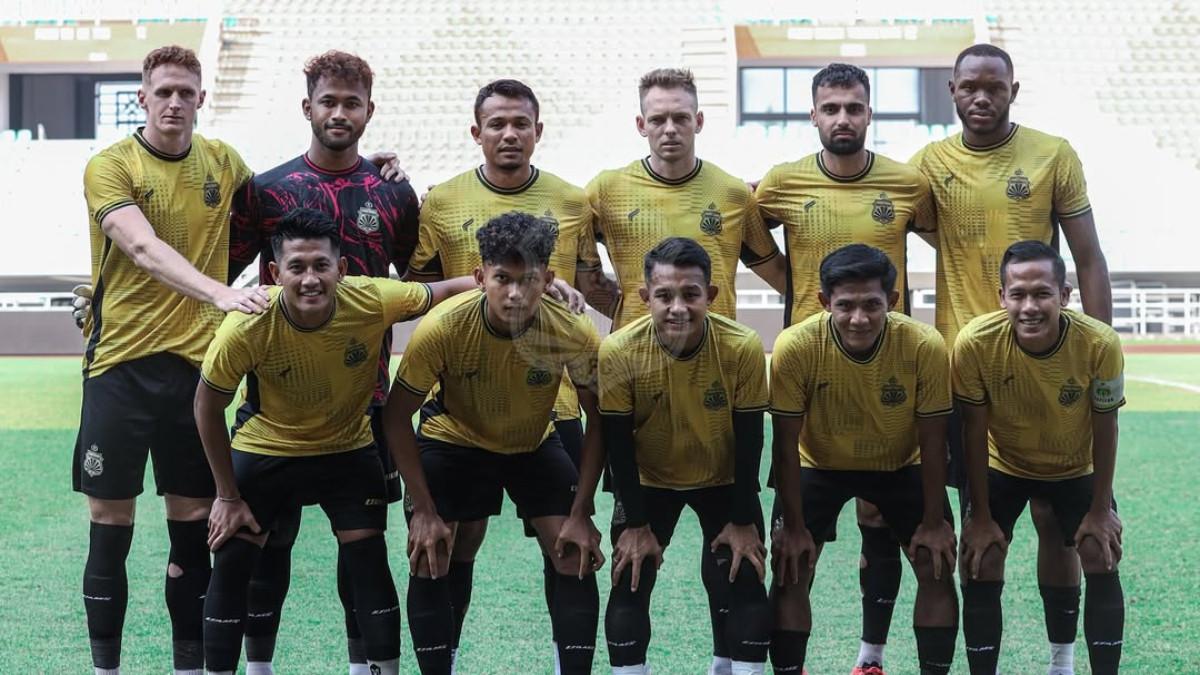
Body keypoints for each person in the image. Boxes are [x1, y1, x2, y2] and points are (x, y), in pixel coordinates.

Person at [193, 208, 472, 675]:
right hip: (266, 448)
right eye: (297, 267)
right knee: (233, 557)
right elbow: (205, 407)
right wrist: (226, 496)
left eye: (321, 265)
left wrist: (534, 286)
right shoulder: (246, 325)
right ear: (274, 272)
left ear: (341, 269)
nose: (310, 279)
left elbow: (447, 290)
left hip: (346, 449)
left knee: (368, 561)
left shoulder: (371, 298)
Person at [910, 43, 1113, 673]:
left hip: (1046, 357)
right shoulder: (929, 164)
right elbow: (872, 207)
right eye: (969, 86)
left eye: (994, 87)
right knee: (974, 526)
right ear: (951, 90)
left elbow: (1088, 257)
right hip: (961, 366)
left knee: (1057, 520)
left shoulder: (1053, 155)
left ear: (1013, 91)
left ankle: (1061, 659)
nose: (981, 97)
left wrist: (1096, 347)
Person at [403, 77, 617, 669]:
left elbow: (593, 285)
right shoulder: (442, 201)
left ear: (538, 131)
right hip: (462, 400)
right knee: (458, 539)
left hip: (553, 405)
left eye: (520, 123)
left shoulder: (572, 201)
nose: (509, 134)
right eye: (496, 124)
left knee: (567, 542)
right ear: (476, 132)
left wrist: (648, 317)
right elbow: (416, 287)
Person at [224, 50, 419, 675]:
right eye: (328, 101)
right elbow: (220, 275)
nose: (339, 113)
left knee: (360, 551)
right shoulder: (266, 190)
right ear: (306, 107)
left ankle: (366, 667)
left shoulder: (393, 192)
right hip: (276, 402)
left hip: (366, 402)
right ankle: (259, 665)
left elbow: (422, 277)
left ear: (369, 110)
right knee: (268, 542)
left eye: (351, 103)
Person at [76, 44, 269, 675]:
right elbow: (140, 246)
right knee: (110, 525)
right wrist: (220, 293)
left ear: (202, 98)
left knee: (192, 526)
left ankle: (189, 668)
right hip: (120, 365)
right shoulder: (111, 165)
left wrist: (367, 167)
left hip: (194, 371)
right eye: (164, 91)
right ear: (143, 97)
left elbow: (281, 201)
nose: (175, 102)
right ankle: (106, 669)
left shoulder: (223, 161)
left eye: (187, 92)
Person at [585, 68, 783, 674]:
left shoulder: (733, 194)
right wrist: (622, 306)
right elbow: (570, 254)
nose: (669, 128)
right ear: (640, 124)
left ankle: (728, 664)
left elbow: (780, 271)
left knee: (736, 561)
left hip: (717, 379)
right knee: (633, 561)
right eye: (658, 118)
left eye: (680, 117)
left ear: (698, 121)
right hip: (641, 389)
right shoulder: (605, 190)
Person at [754, 62, 935, 675]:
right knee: (795, 546)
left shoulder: (908, 184)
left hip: (889, 364)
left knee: (880, 519)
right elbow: (741, 234)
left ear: (869, 113)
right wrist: (792, 286)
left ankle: (870, 658)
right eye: (830, 108)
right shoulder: (781, 183)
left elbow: (955, 240)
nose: (842, 118)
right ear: (812, 114)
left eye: (854, 107)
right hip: (814, 367)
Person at [386, 212, 606, 675]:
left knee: (574, 552)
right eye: (503, 278)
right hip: (455, 438)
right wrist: (423, 509)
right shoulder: (444, 327)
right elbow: (396, 415)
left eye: (528, 280)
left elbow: (600, 418)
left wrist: (582, 511)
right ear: (479, 276)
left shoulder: (572, 330)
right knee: (433, 550)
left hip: (532, 440)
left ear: (548, 279)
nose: (514, 294)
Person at [768, 245, 959, 675]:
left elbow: (933, 441)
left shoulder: (923, 345)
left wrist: (934, 522)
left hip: (899, 462)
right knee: (790, 564)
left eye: (872, 304)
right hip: (819, 463)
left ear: (892, 300)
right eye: (845, 306)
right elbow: (785, 444)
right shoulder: (796, 346)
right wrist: (793, 527)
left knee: (935, 563)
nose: (859, 318)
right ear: (824, 302)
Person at [599, 237, 772, 675]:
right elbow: (617, 445)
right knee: (631, 571)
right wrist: (635, 526)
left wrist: (743, 520)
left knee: (745, 570)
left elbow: (751, 440)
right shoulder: (619, 350)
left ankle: (728, 667)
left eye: (690, 294)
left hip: (723, 476)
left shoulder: (742, 346)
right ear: (645, 298)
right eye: (664, 296)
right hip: (649, 479)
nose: (678, 307)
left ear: (710, 295)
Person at [954, 240, 1125, 675]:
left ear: (1064, 295)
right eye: (1018, 294)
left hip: (1074, 465)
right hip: (1004, 464)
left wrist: (1101, 510)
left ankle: (1061, 665)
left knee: (1099, 549)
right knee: (981, 556)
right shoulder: (975, 343)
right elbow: (972, 431)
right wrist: (979, 516)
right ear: (1002, 297)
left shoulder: (1099, 343)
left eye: (1042, 294)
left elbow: (1107, 426)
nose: (1029, 306)